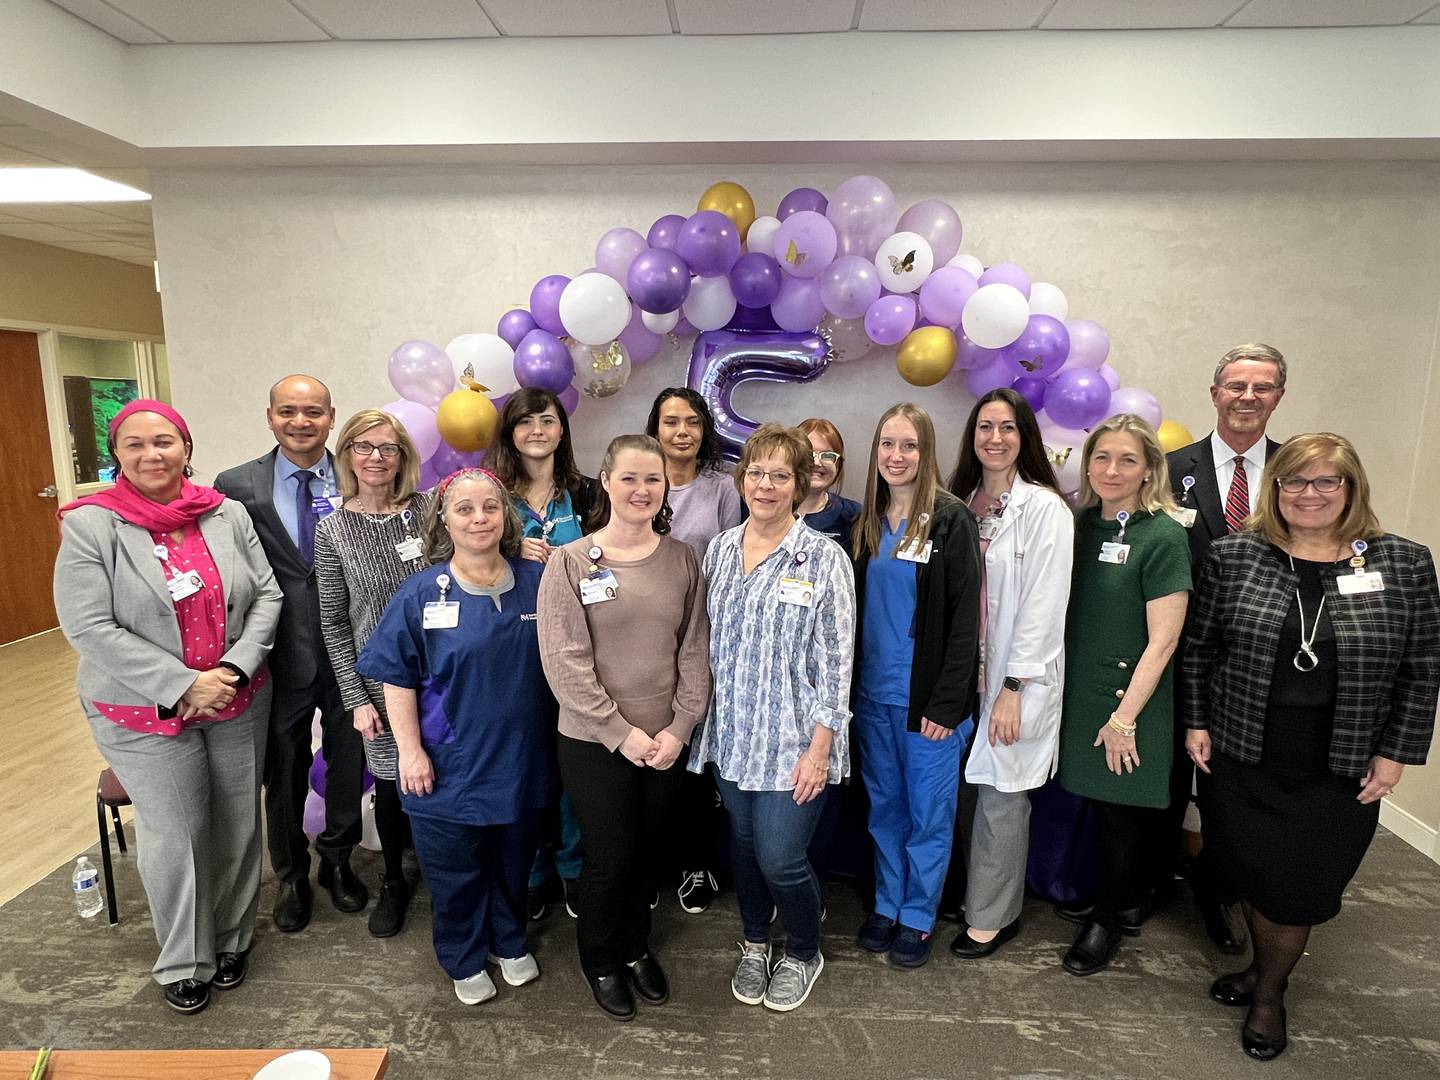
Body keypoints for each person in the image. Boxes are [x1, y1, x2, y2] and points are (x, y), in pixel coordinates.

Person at [1183, 433, 1439, 1061]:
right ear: (1275, 489)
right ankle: (1257, 969)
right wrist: (1196, 722)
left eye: (1327, 481)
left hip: (1340, 758)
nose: (1309, 494)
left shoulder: (1402, 562)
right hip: (1243, 749)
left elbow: (1422, 666)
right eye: (1294, 481)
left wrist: (1397, 750)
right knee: (1248, 865)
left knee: (1299, 883)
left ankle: (1269, 992)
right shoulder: (1237, 555)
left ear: (1352, 488)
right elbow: (1200, 648)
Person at [54, 400, 283, 1014]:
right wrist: (184, 684)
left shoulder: (226, 513)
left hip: (236, 696)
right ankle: (185, 957)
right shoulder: (90, 525)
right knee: (176, 829)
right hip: (141, 709)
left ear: (186, 447)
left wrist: (234, 668)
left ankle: (233, 937)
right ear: (117, 455)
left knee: (238, 821)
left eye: (164, 442)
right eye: (135, 444)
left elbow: (267, 593)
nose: (152, 455)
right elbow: (88, 624)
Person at [357, 469, 556, 1005]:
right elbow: (394, 674)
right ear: (444, 519)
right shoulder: (421, 592)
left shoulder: (537, 581)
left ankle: (509, 942)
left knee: (515, 863)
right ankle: (464, 956)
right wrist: (410, 750)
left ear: (506, 517)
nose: (478, 519)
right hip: (448, 764)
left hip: (523, 759)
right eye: (464, 509)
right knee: (456, 871)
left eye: (490, 508)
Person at [537, 434, 711, 1021]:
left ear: (666, 486)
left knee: (648, 854)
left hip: (665, 742)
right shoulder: (570, 561)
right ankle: (602, 960)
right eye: (630, 478)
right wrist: (621, 734)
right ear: (606, 481)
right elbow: (564, 664)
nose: (642, 490)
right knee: (609, 856)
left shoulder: (683, 558)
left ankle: (636, 946)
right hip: (594, 742)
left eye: (654, 479)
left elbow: (694, 651)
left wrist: (680, 729)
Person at [692, 423, 855, 1012]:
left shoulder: (823, 558)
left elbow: (838, 661)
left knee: (782, 858)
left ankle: (804, 950)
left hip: (796, 741)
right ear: (743, 478)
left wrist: (820, 748)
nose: (765, 484)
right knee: (742, 847)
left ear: (800, 482)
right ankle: (757, 941)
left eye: (779, 475)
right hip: (733, 736)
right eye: (756, 472)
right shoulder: (718, 549)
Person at [215, 375, 368, 931]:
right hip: (277, 654)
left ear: (331, 417)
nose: (300, 422)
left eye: (313, 412)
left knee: (351, 762)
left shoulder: (359, 474)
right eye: (288, 411)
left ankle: (338, 860)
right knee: (284, 772)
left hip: (351, 649)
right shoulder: (236, 486)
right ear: (270, 416)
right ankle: (292, 876)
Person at [1056, 415, 1190, 977]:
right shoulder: (1082, 524)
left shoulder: (1163, 535)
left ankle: (1108, 920)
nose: (1112, 470)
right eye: (1102, 457)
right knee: (1097, 804)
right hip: (1080, 687)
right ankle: (1109, 895)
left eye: (1127, 460)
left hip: (1130, 696)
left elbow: (1164, 641)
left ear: (1149, 469)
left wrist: (1126, 718)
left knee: (1121, 813)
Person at [1163, 343, 1287, 954]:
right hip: (1178, 652)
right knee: (1167, 780)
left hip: (1260, 665)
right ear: (1214, 394)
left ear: (1277, 397)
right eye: (1235, 386)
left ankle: (1219, 892)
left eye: (1261, 387)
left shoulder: (1299, 471)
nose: (1246, 398)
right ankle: (1155, 882)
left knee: (1232, 792)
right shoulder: (1169, 468)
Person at [944, 389, 1074, 960]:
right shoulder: (959, 502)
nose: (995, 438)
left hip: (1010, 679)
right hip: (960, 675)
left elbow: (1045, 604)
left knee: (1001, 794)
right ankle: (976, 892)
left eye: (1007, 428)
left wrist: (1014, 687)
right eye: (985, 427)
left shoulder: (1044, 508)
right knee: (966, 793)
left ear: (1026, 437)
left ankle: (992, 917)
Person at [851, 403, 981, 969]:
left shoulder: (951, 520)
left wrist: (948, 704)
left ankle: (919, 914)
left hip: (927, 703)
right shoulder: (866, 522)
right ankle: (887, 902)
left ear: (926, 452)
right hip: (872, 696)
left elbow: (963, 623)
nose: (896, 457)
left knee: (929, 814)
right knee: (885, 808)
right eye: (886, 444)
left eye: (908, 446)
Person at [314, 409, 433, 938]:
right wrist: (354, 698)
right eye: (363, 447)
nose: (376, 458)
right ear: (346, 456)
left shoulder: (430, 511)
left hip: (442, 673)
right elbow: (334, 621)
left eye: (388, 448)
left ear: (403, 456)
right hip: (377, 682)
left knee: (447, 774)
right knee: (390, 786)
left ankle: (447, 873)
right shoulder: (332, 528)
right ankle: (394, 881)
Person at [488, 387, 599, 920]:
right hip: (510, 651)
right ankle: (531, 870)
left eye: (548, 420)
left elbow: (612, 562)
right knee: (524, 766)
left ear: (562, 430)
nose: (537, 430)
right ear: (509, 432)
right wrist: (508, 549)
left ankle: (575, 867)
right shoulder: (490, 496)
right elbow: (457, 558)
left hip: (580, 648)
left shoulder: (586, 495)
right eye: (525, 421)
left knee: (576, 765)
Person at [644, 387, 741, 914]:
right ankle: (651, 862)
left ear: (704, 431)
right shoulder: (641, 484)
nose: (682, 431)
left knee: (696, 757)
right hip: (645, 636)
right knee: (650, 747)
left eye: (692, 422)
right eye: (671, 421)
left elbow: (729, 559)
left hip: (704, 634)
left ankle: (697, 863)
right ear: (655, 428)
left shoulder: (722, 488)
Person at [796, 417, 861, 550]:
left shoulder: (854, 515)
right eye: (808, 454)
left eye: (827, 456)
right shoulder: (769, 507)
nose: (817, 463)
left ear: (838, 465)